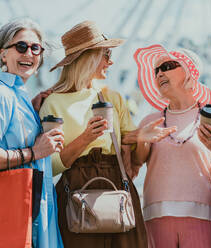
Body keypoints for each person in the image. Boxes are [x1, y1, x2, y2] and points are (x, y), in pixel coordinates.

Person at [39, 21, 175, 248]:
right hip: (75, 194)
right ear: (87, 57)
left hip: (117, 189)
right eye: (106, 54)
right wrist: (85, 139)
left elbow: (133, 154)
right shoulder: (52, 103)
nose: (111, 61)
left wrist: (140, 137)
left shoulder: (113, 98)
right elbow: (50, 166)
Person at [0, 19, 64, 248]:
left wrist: (33, 111)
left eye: (35, 47)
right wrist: (34, 152)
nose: (29, 52)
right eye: (21, 46)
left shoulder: (18, 96)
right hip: (11, 212)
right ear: (3, 54)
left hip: (28, 208)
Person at [124, 44, 211, 248]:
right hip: (155, 215)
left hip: (201, 215)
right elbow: (134, 167)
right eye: (156, 70)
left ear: (189, 71)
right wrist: (141, 138)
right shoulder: (151, 120)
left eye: (167, 66)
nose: (159, 74)